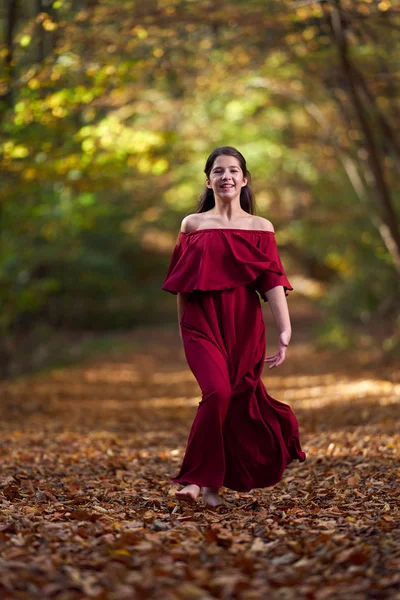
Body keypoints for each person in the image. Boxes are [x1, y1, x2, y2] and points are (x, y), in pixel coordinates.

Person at [162, 146, 306, 507]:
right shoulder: (192, 225)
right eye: (218, 171)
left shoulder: (261, 228)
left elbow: (272, 282)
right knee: (218, 393)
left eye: (233, 171)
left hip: (244, 327)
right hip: (202, 324)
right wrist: (185, 328)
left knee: (237, 400)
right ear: (208, 181)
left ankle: (213, 484)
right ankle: (194, 480)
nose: (226, 176)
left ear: (244, 179)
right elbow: (181, 283)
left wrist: (284, 330)